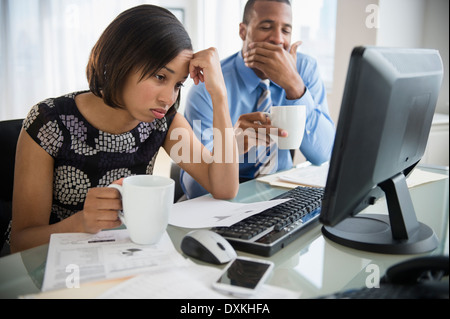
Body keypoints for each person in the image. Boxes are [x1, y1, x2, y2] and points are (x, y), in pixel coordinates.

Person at [9, 5, 239, 253]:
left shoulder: (164, 123)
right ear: (121, 61)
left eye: (178, 85)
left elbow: (224, 188)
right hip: (52, 267)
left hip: (122, 257)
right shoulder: (48, 122)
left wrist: (219, 95)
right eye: (160, 77)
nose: (168, 98)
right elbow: (20, 243)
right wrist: (81, 223)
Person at [181, 0, 336, 199]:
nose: (278, 39)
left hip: (281, 194)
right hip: (224, 199)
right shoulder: (207, 85)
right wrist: (230, 148)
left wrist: (294, 86)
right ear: (243, 32)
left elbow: (324, 155)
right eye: (266, 27)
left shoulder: (304, 70)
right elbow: (194, 190)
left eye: (286, 31)